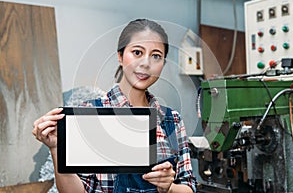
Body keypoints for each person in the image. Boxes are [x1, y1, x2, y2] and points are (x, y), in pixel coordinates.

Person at [32, 18, 197, 193]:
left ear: (162, 64)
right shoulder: (89, 114)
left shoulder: (172, 120)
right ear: (120, 56)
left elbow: (189, 186)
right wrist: (57, 149)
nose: (145, 63)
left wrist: (170, 188)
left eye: (156, 56)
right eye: (137, 52)